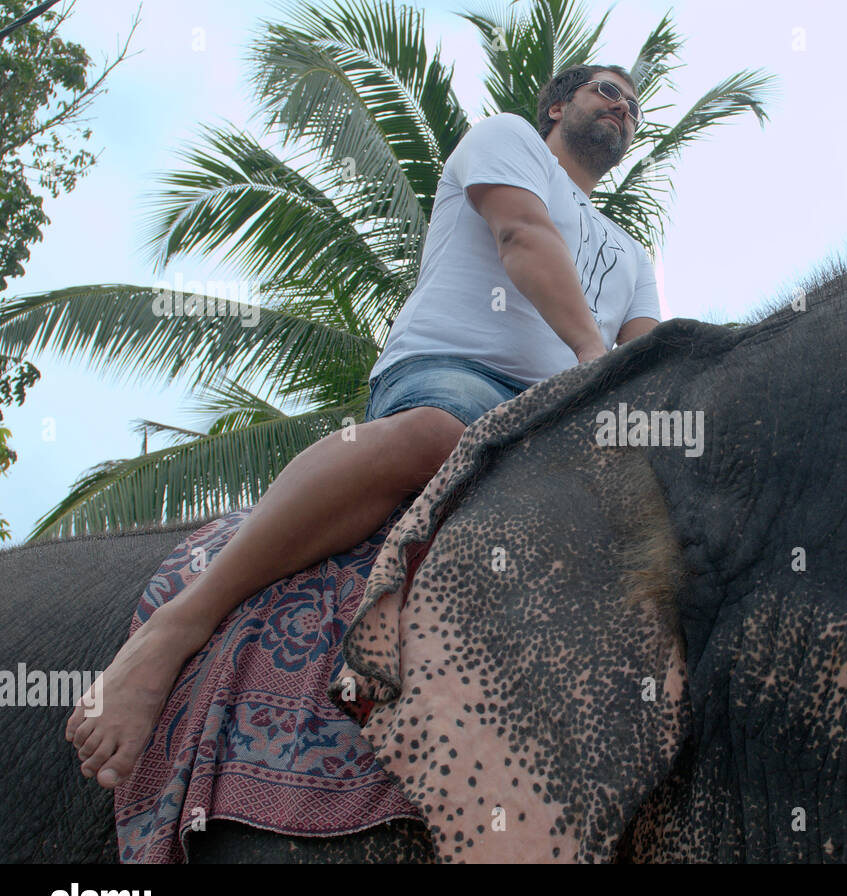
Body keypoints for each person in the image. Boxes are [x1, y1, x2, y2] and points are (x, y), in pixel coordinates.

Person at [66, 65, 662, 790]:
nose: (622, 108)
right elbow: (521, 233)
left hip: (558, 422)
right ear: (558, 104)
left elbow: (649, 356)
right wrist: (592, 360)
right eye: (607, 91)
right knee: (437, 438)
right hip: (457, 370)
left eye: (633, 107)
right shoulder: (510, 140)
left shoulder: (632, 255)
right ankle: (180, 624)